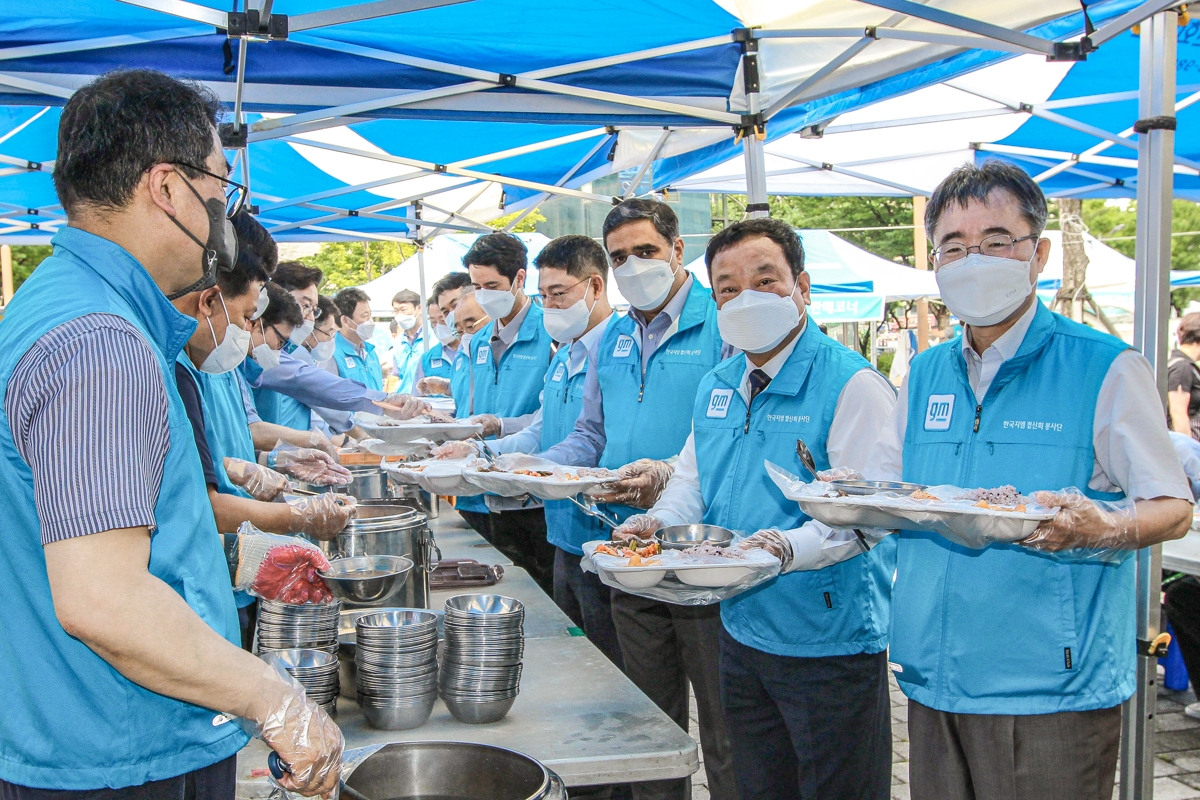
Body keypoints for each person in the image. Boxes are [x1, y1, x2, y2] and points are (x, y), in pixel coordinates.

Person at [0, 69, 340, 798]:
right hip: (121, 749)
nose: (226, 213)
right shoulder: (98, 339)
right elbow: (103, 599)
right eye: (222, 189)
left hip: (93, 733)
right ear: (167, 188)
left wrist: (228, 565)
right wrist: (274, 700)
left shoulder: (78, 310)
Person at [870, 160, 1193, 799]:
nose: (973, 260)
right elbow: (900, 492)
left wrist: (1101, 526)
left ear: (1038, 253)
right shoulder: (928, 372)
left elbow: (1171, 507)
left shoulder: (1105, 366)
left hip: (1048, 686)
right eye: (954, 247)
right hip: (933, 674)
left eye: (995, 241)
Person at [616, 219, 898, 799]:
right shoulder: (719, 383)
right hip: (739, 629)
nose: (745, 298)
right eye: (727, 287)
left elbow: (870, 515)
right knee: (757, 786)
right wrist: (657, 524)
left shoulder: (852, 384)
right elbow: (691, 482)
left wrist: (787, 547)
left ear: (803, 286)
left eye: (765, 280)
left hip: (827, 639)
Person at [541, 199, 736, 800]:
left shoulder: (723, 320)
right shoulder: (616, 336)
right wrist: (534, 469)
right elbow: (590, 434)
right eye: (620, 256)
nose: (633, 266)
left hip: (705, 557)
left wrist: (666, 472)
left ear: (679, 250)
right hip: (631, 552)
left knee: (726, 729)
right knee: (647, 721)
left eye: (646, 251)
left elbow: (726, 441)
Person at [443, 235, 623, 665]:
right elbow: (543, 427)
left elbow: (589, 439)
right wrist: (487, 454)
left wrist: (520, 464)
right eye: (545, 296)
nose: (550, 307)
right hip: (564, 528)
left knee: (612, 665)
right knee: (567, 652)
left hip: (603, 526)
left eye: (558, 294)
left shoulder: (616, 348)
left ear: (595, 287)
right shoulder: (565, 355)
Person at [172, 228, 355, 648]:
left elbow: (223, 447)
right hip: (201, 574)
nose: (250, 330)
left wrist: (270, 464)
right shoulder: (181, 367)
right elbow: (203, 502)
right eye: (248, 318)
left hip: (228, 559)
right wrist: (300, 516)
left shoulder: (218, 364)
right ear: (211, 299)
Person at [457, 233, 555, 591]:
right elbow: (471, 411)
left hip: (537, 495)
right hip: (490, 493)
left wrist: (501, 426)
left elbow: (556, 417)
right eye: (476, 286)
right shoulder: (480, 340)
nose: (484, 295)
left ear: (519, 279)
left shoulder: (551, 332)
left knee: (546, 593)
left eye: (492, 285)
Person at [243, 262, 423, 430]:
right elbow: (309, 383)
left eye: (314, 310)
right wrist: (383, 401)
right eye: (305, 306)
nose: (309, 318)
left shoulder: (283, 349)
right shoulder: (258, 350)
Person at [417, 272, 472, 397]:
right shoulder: (462, 351)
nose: (453, 314)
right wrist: (447, 388)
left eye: (456, 305)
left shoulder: (497, 343)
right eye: (446, 312)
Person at [333, 287, 385, 391]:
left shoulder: (370, 352)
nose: (370, 321)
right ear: (346, 320)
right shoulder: (332, 354)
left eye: (370, 315)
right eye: (365, 316)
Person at [414, 292, 458, 391]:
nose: (439, 326)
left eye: (442, 320)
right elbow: (418, 397)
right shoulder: (427, 359)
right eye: (433, 322)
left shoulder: (472, 350)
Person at [1169, 312, 1200, 440]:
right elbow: (1178, 412)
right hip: (1187, 448)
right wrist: (1190, 451)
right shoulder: (1182, 368)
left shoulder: (1182, 364)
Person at [391, 289, 425, 394]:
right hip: (404, 401)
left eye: (403, 310)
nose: (399, 315)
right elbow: (397, 375)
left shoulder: (433, 337)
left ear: (419, 308)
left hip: (430, 401)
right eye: (396, 311)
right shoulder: (398, 341)